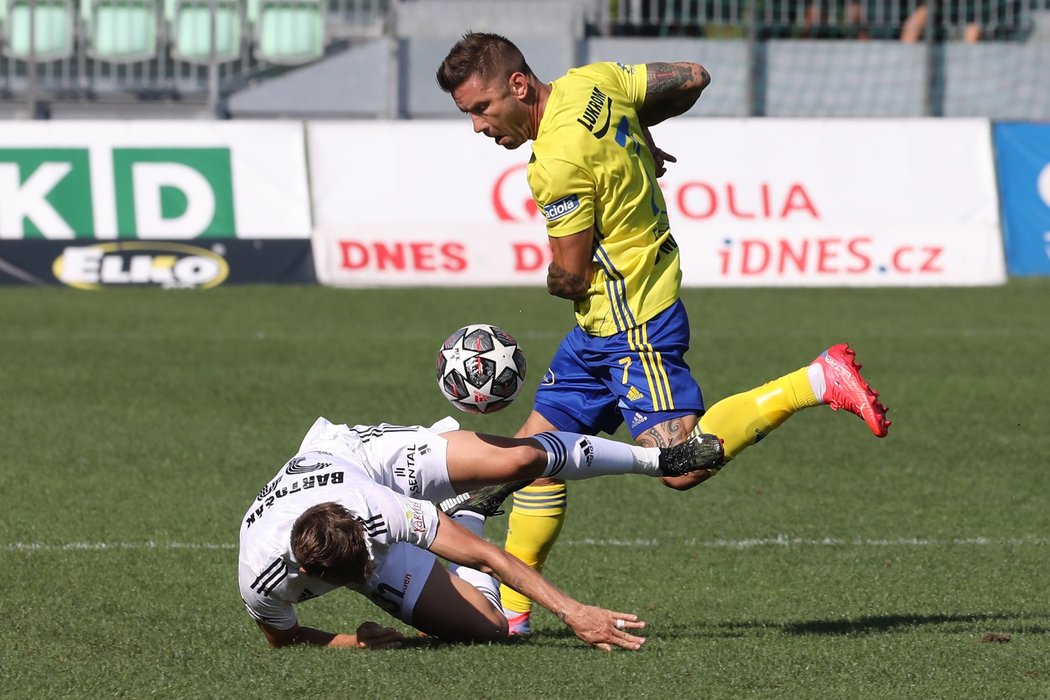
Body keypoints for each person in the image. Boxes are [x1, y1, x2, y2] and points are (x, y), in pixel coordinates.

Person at [436, 32, 890, 635]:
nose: (478, 126)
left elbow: (571, 276)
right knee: (533, 460)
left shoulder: (557, 165)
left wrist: (551, 277)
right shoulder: (590, 81)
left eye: (481, 108)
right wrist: (643, 135)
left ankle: (816, 379)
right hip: (598, 331)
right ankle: (513, 618)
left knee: (678, 465)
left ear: (518, 86)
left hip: (631, 326)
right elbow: (693, 75)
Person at [238, 415, 723, 651]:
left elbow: (485, 559)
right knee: (488, 629)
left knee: (518, 460)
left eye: (368, 555)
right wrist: (354, 641)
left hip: (365, 463)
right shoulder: (261, 578)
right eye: (359, 571)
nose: (368, 565)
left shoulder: (372, 510)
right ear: (306, 571)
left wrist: (574, 613)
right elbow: (287, 639)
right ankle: (467, 509)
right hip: (355, 518)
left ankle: (658, 459)